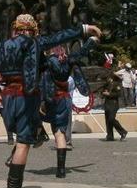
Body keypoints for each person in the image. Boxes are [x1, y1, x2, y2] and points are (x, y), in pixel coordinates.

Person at [0, 14, 101, 188]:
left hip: (7, 97)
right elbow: (59, 37)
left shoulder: (2, 46)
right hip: (25, 96)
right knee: (23, 142)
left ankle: (14, 176)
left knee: (23, 136)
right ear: (32, 30)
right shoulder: (33, 42)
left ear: (16, 28)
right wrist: (84, 29)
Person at [40, 37, 96, 178]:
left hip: (51, 100)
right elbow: (80, 53)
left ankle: (38, 134)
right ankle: (61, 170)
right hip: (65, 100)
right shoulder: (68, 61)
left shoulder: (48, 62)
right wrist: (91, 41)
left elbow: (41, 82)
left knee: (33, 118)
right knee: (60, 134)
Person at [98, 56, 128, 141]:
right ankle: (110, 136)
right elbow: (103, 89)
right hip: (107, 102)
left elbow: (118, 94)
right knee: (107, 120)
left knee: (111, 119)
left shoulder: (117, 82)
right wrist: (103, 93)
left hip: (114, 103)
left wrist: (109, 94)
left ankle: (123, 132)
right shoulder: (108, 81)